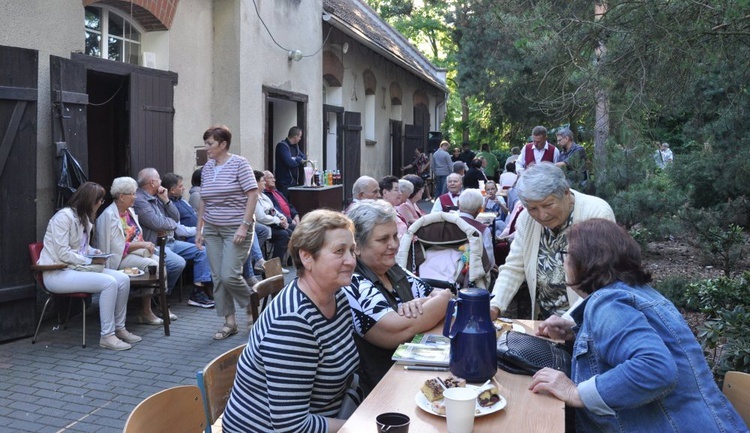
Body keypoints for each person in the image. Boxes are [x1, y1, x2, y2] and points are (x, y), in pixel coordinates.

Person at [530, 219, 747, 433]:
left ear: (585, 261)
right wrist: (576, 333)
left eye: (566, 255)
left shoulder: (608, 302)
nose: (563, 263)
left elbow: (655, 368)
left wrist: (574, 392)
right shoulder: (638, 293)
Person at [222, 210, 360, 433]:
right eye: (339, 251)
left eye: (352, 250)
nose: (351, 260)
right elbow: (291, 427)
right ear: (307, 257)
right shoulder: (293, 323)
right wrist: (361, 426)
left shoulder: (338, 296)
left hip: (328, 417)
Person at [344, 200, 453, 394]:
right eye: (383, 239)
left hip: (413, 376)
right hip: (383, 389)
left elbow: (437, 293)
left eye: (395, 236)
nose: (394, 244)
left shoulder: (391, 268)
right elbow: (395, 330)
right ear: (357, 247)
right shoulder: (353, 281)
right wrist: (441, 300)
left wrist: (425, 302)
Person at [489, 163, 615, 321]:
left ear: (566, 193)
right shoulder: (526, 219)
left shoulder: (596, 213)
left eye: (548, 205)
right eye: (533, 208)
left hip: (587, 320)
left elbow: (600, 280)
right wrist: (495, 305)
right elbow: (514, 267)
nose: (542, 215)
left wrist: (568, 322)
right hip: (546, 320)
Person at [39, 182, 138, 351]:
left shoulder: (83, 218)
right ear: (89, 200)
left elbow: (81, 247)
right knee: (109, 283)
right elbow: (63, 252)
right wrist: (90, 260)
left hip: (74, 269)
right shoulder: (63, 217)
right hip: (56, 272)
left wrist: (95, 251)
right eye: (99, 201)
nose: (101, 204)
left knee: (123, 278)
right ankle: (107, 336)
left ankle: (120, 328)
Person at [196, 125, 259, 340]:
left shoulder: (240, 164)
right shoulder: (207, 168)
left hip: (236, 228)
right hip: (212, 228)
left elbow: (252, 195)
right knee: (217, 277)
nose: (207, 148)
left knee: (229, 274)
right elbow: (204, 199)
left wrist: (244, 224)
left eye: (210, 144)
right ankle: (229, 322)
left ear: (223, 144)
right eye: (206, 143)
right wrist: (200, 228)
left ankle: (251, 304)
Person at [134, 167, 204, 319]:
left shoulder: (159, 196)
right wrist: (170, 224)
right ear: (152, 182)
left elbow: (175, 217)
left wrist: (166, 200)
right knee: (177, 263)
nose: (161, 182)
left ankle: (200, 293)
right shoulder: (140, 200)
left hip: (170, 241)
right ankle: (162, 299)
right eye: (159, 178)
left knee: (201, 251)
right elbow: (157, 223)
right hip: (153, 244)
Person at [96, 177, 165, 326]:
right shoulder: (109, 216)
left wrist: (143, 245)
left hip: (136, 253)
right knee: (156, 267)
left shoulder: (129, 212)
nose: (135, 197)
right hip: (120, 258)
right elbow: (118, 247)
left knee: (162, 265)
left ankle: (160, 307)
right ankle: (146, 311)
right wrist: (143, 245)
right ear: (122, 196)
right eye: (133, 194)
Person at [161, 173, 215, 308]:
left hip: (194, 235)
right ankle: (207, 287)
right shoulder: (169, 204)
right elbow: (179, 230)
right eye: (180, 186)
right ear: (172, 190)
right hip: (185, 238)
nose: (184, 188)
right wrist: (200, 231)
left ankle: (201, 289)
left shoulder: (182, 201)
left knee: (210, 248)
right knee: (209, 246)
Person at [253, 170, 292, 265]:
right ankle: (274, 265)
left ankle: (286, 260)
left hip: (272, 223)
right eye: (262, 180)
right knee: (283, 235)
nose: (264, 182)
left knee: (290, 231)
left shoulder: (263, 195)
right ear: (256, 183)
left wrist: (282, 217)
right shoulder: (254, 197)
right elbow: (261, 217)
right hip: (264, 224)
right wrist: (278, 221)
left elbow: (273, 209)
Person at [458, 189, 496, 266]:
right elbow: (489, 258)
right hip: (471, 269)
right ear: (479, 209)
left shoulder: (446, 223)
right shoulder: (483, 230)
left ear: (458, 204)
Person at [274, 126, 306, 196]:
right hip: (284, 183)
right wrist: (298, 160)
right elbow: (290, 163)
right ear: (295, 137)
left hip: (295, 182)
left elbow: (304, 157)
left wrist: (296, 159)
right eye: (300, 136)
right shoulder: (282, 146)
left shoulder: (296, 147)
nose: (300, 139)